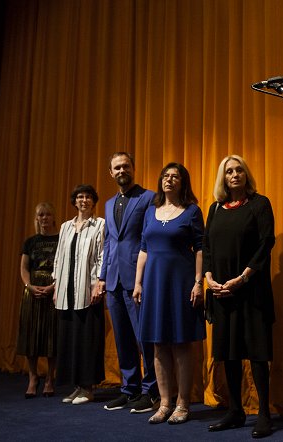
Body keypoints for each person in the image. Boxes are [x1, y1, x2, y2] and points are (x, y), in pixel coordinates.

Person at [203, 155, 276, 439]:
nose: (235, 174)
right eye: (229, 171)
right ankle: (235, 410)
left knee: (257, 353)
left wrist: (243, 278)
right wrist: (209, 279)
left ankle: (264, 414)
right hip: (221, 291)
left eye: (239, 170)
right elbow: (206, 246)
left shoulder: (259, 204)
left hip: (251, 290)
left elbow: (266, 243)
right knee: (228, 353)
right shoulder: (215, 208)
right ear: (223, 177)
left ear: (246, 174)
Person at [133, 162, 205, 425]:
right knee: (157, 344)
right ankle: (164, 403)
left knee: (181, 344)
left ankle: (183, 404)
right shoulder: (150, 212)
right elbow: (143, 249)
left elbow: (200, 248)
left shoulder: (192, 211)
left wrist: (199, 282)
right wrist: (138, 283)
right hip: (153, 284)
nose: (169, 180)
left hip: (181, 283)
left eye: (175, 177)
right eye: (166, 175)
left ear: (182, 183)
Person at [97, 152, 159, 413]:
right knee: (123, 339)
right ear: (111, 173)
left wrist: (142, 278)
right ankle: (129, 389)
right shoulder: (109, 203)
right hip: (113, 280)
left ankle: (151, 391)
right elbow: (110, 242)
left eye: (126, 166)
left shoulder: (148, 198)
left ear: (133, 168)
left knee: (143, 337)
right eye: (117, 167)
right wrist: (101, 277)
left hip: (137, 279)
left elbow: (150, 237)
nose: (122, 170)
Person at [53, 184, 106, 405]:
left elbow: (103, 255)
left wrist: (99, 284)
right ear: (74, 201)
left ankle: (88, 387)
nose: (83, 200)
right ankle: (77, 386)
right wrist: (56, 285)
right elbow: (58, 258)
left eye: (88, 197)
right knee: (71, 340)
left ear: (94, 201)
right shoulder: (66, 226)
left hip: (88, 290)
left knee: (87, 340)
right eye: (79, 196)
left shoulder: (100, 224)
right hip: (66, 292)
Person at [16, 202, 59, 399]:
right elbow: (24, 268)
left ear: (53, 217)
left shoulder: (61, 239)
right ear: (37, 218)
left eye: (47, 214)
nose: (44, 218)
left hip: (53, 290)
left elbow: (65, 266)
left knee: (52, 335)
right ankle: (33, 377)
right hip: (32, 291)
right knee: (30, 334)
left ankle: (50, 378)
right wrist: (29, 286)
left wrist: (53, 287)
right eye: (41, 215)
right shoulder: (30, 242)